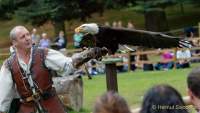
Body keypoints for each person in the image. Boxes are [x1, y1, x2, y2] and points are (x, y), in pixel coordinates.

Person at [0, 26, 108, 113]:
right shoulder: (9, 65)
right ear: (14, 43)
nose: (27, 38)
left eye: (28, 34)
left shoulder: (43, 54)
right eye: (22, 37)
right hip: (27, 108)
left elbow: (67, 64)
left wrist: (87, 54)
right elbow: (4, 97)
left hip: (52, 105)